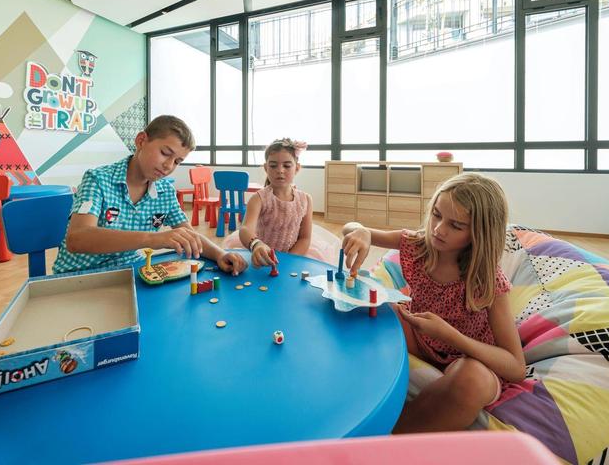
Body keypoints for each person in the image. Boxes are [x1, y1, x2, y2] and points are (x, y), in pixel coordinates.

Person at [342, 172, 525, 433]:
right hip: (421, 340)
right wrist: (361, 232)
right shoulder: (418, 245)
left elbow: (516, 367)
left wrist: (450, 335)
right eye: (437, 215)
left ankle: (391, 437)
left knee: (471, 379)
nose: (438, 229)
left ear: (479, 233)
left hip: (470, 358)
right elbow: (350, 228)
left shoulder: (488, 279)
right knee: (375, 303)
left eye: (456, 225)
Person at [53, 115, 247, 276]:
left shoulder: (164, 190)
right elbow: (77, 239)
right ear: (141, 141)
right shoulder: (97, 179)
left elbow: (189, 235)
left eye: (177, 161)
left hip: (131, 272)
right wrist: (152, 238)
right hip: (79, 276)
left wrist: (220, 254)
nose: (168, 166)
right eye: (165, 153)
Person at [223, 138, 339, 267]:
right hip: (261, 256)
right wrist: (256, 244)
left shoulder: (305, 200)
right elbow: (245, 229)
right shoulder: (259, 198)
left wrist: (287, 260)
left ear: (297, 168)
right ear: (266, 168)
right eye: (273, 166)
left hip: (294, 257)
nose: (280, 170)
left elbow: (305, 238)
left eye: (287, 166)